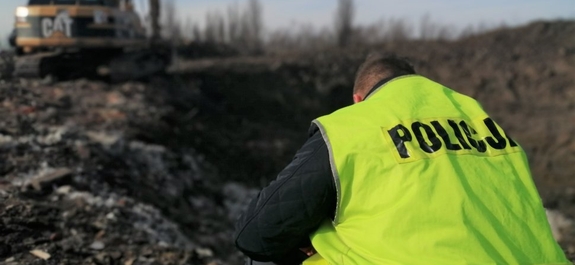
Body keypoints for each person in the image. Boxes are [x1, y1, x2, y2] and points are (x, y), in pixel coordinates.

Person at [234, 54, 570, 265]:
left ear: (358, 99)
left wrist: (311, 240)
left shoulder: (351, 124)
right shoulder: (477, 116)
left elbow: (257, 234)